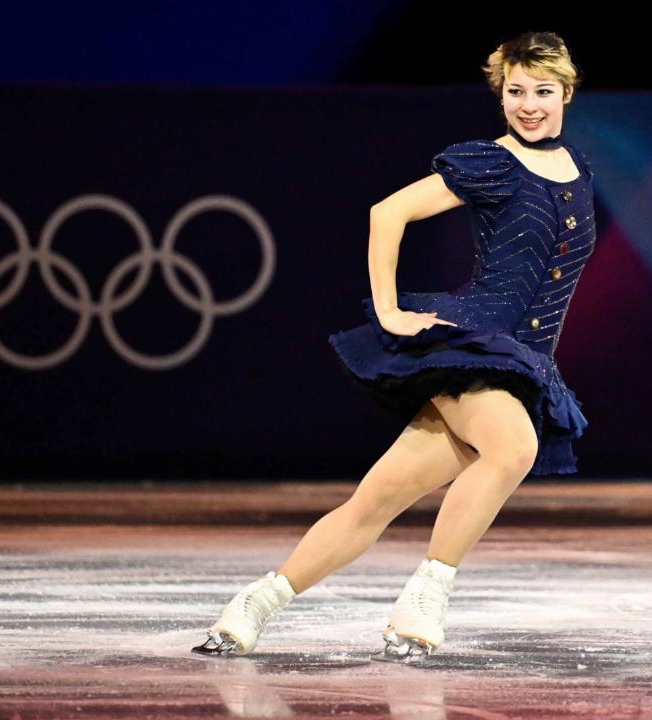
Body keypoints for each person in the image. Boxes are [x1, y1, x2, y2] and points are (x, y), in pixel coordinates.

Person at [192, 30, 595, 662]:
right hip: (475, 346)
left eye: (542, 91)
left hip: (525, 362)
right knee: (513, 448)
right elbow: (388, 213)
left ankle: (251, 607)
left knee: (372, 504)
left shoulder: (577, 170)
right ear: (500, 95)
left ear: (566, 93)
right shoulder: (491, 162)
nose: (528, 105)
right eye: (515, 91)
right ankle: (424, 600)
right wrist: (388, 310)